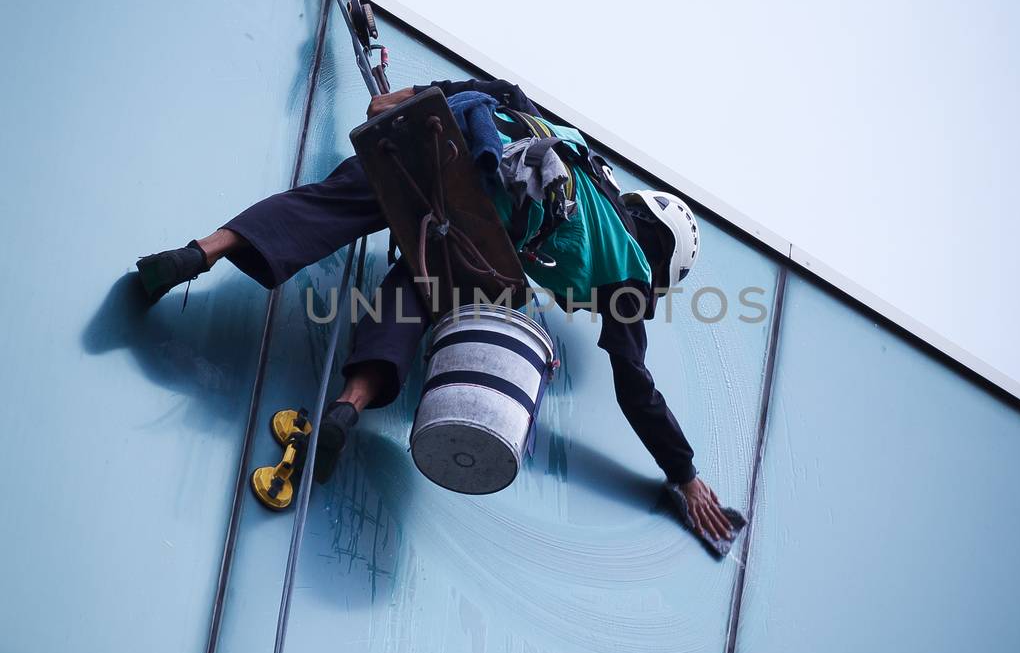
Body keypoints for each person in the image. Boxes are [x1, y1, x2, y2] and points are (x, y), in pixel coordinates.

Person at [136, 76, 739, 550]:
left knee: (330, 204)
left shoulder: (582, 157)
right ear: (660, 265)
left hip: (445, 142)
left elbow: (500, 93)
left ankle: (200, 252)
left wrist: (402, 100)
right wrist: (683, 474)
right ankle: (349, 406)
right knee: (425, 290)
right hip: (484, 218)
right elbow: (636, 387)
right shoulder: (628, 271)